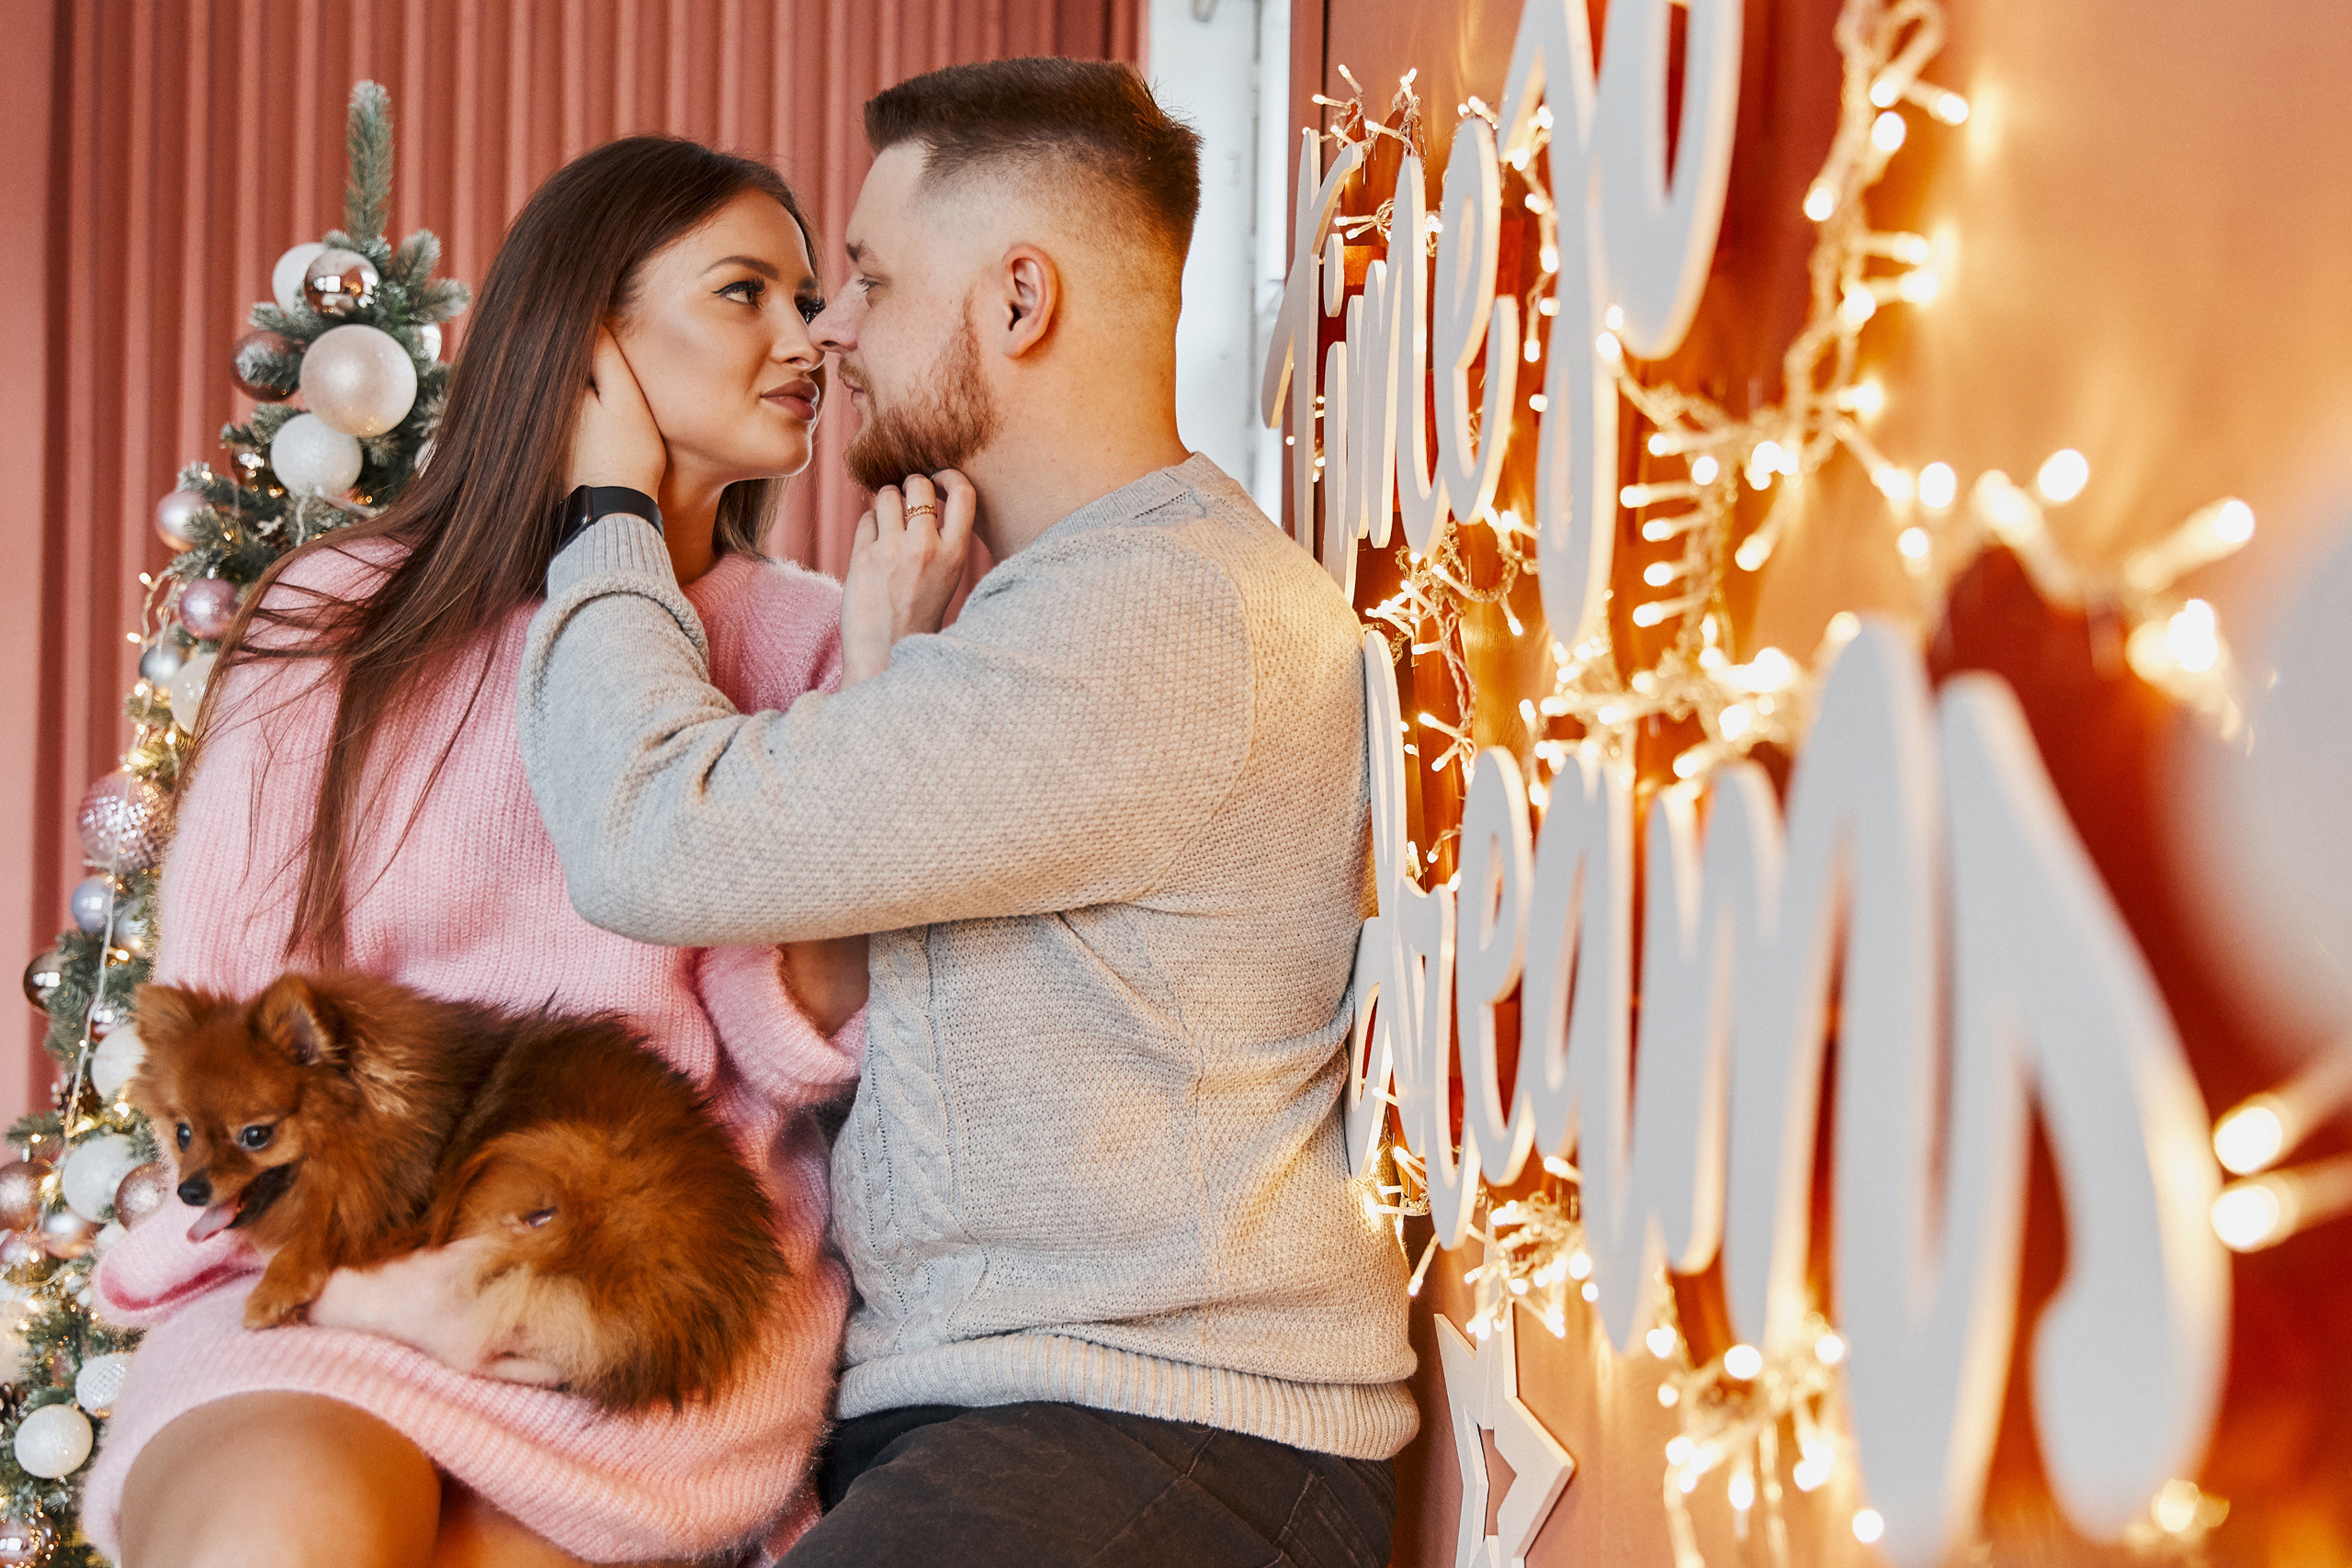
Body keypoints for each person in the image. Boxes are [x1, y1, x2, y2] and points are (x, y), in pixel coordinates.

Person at [522, 58, 1416, 1568]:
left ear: (1018, 300)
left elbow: (650, 831)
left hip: (1160, 1437)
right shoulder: (1057, 610)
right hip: (1004, 1425)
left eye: (870, 279)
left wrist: (606, 511)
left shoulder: (1159, 620)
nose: (832, 330)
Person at [87, 137, 868, 1567]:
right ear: (588, 341)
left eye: (809, 301)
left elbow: (794, 1052)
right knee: (284, 1531)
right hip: (332, 1289)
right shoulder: (336, 617)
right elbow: (213, 1033)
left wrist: (877, 681)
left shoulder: (818, 644)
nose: (806, 340)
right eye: (745, 292)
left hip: (616, 1317)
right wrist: (365, 1282)